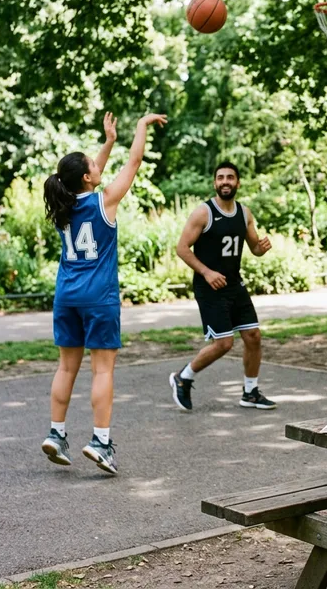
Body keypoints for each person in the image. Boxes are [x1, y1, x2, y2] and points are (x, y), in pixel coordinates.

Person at [41, 112, 168, 474]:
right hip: (99, 298)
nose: (98, 166)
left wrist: (109, 140)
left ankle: (56, 432)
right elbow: (136, 161)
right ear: (87, 177)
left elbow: (92, 170)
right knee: (102, 371)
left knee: (67, 366)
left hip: (66, 296)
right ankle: (100, 442)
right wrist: (139, 125)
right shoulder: (105, 200)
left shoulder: (63, 208)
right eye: (92, 165)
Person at [170, 160, 275, 412]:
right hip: (209, 287)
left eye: (230, 177)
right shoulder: (203, 213)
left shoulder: (244, 213)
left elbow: (254, 248)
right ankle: (182, 377)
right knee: (224, 343)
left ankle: (250, 392)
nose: (225, 182)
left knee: (253, 336)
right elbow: (182, 249)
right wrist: (206, 272)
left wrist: (261, 248)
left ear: (237, 182)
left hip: (234, 284)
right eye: (220, 178)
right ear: (215, 183)